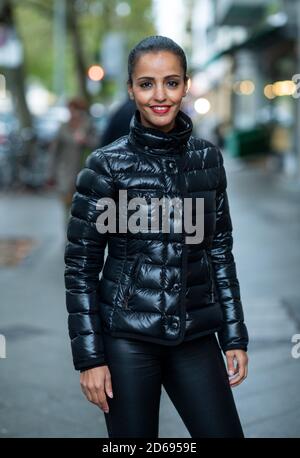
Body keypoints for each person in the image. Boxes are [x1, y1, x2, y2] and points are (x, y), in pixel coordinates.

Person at [64, 35, 249, 438]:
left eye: (171, 82)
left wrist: (234, 334)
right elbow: (81, 267)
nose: (160, 95)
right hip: (127, 339)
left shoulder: (207, 159)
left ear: (185, 85)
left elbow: (220, 251)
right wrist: (90, 358)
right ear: (131, 89)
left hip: (195, 335)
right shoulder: (106, 165)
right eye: (147, 83)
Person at [48, 97, 99, 223]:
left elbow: (99, 145)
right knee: (66, 205)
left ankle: (80, 234)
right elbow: (54, 152)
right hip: (65, 172)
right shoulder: (63, 127)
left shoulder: (88, 125)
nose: (73, 113)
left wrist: (86, 141)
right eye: (71, 110)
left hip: (84, 171)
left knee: (83, 205)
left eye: (76, 110)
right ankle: (68, 235)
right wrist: (50, 173)